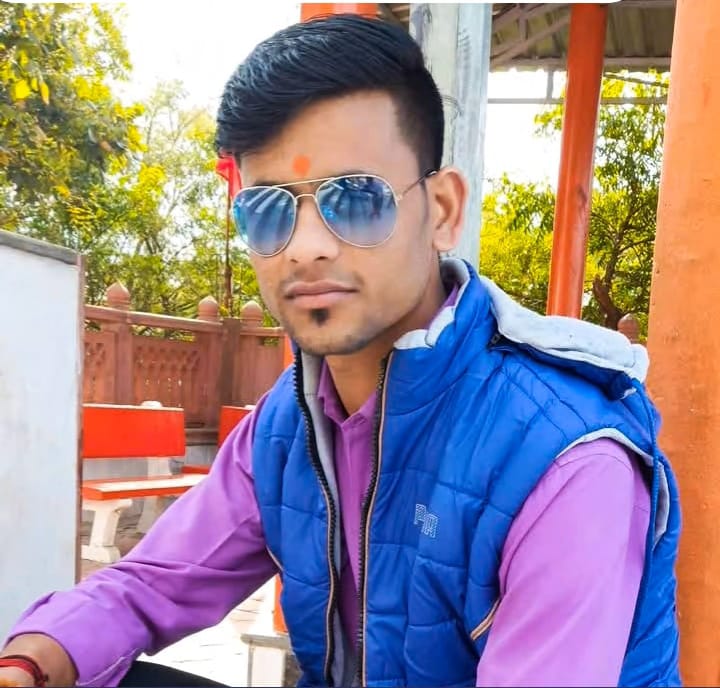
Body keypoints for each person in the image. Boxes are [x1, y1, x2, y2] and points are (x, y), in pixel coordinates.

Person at [0, 14, 680, 688]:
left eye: (355, 200)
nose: (305, 247)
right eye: (269, 209)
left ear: (443, 211)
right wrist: (31, 659)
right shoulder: (291, 422)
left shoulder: (564, 460)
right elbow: (151, 584)